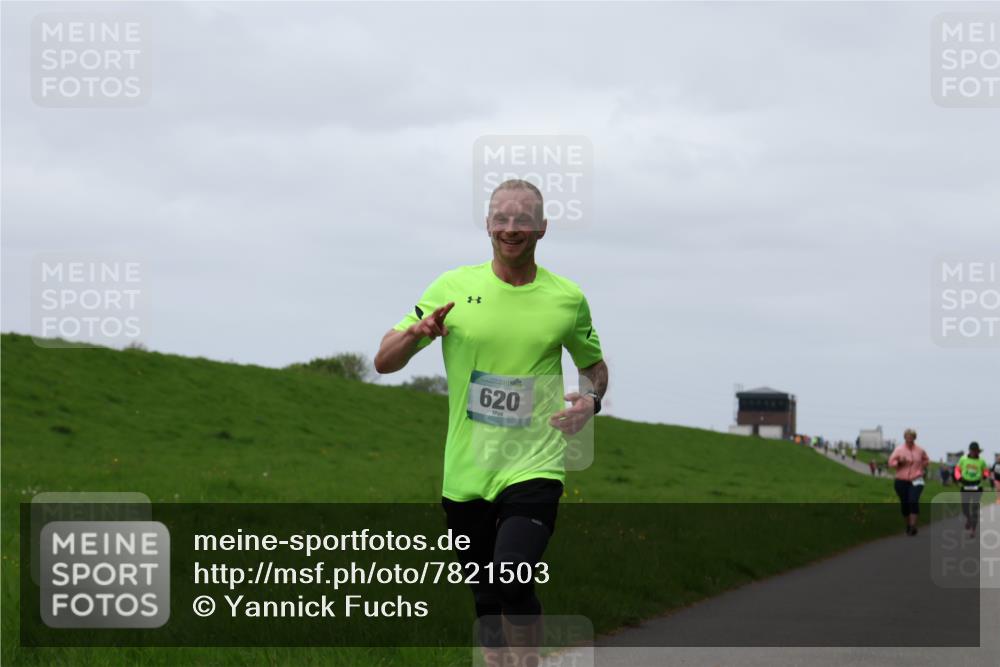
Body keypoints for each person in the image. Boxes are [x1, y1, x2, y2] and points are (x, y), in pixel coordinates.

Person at [373, 179, 608, 666]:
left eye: (522, 219)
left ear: (542, 227)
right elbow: (384, 361)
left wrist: (590, 400)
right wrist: (417, 333)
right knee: (486, 599)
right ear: (487, 224)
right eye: (501, 218)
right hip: (466, 472)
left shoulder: (566, 298)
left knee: (512, 578)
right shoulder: (452, 288)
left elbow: (594, 367)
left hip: (534, 464)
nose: (511, 228)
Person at [888, 429, 930, 536]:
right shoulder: (899, 449)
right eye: (907, 436)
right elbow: (891, 462)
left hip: (916, 480)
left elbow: (926, 460)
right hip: (901, 481)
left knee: (913, 500)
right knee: (905, 504)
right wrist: (899, 462)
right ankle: (908, 525)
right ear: (905, 437)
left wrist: (921, 468)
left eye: (911, 436)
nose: (909, 438)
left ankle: (912, 526)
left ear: (915, 438)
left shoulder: (920, 450)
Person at [954, 442, 989, 538]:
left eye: (975, 451)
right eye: (972, 450)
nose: (974, 452)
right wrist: (959, 478)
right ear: (969, 450)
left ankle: (973, 530)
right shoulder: (963, 459)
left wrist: (985, 476)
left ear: (978, 451)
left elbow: (986, 471)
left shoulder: (982, 461)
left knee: (974, 508)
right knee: (965, 508)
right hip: (965, 485)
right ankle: (968, 519)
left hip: (977, 486)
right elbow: (957, 469)